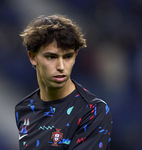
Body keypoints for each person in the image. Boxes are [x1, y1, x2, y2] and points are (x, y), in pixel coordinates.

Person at [15, 14, 112, 150]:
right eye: (51, 57)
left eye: (67, 57)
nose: (61, 66)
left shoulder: (93, 111)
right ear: (33, 57)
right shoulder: (24, 109)